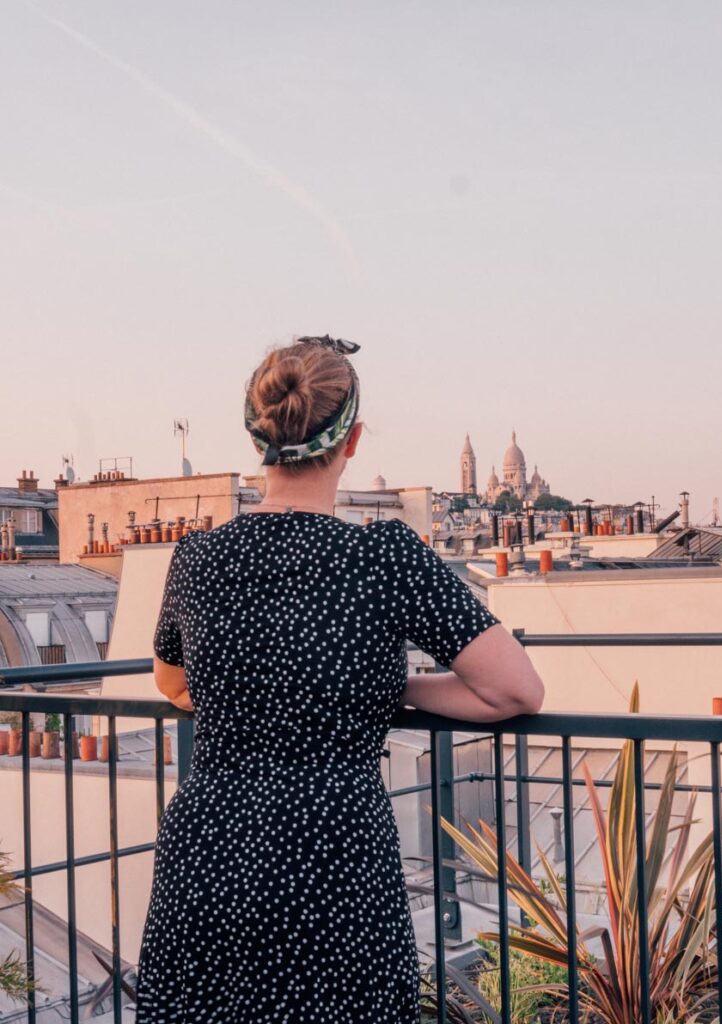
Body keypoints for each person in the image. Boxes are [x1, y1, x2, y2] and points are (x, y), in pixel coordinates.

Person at [134, 335, 544, 1024]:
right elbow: (512, 691)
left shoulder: (197, 557)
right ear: (350, 440)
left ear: (256, 436)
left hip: (210, 847)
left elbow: (172, 685)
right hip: (332, 851)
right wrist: (387, 688)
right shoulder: (381, 555)